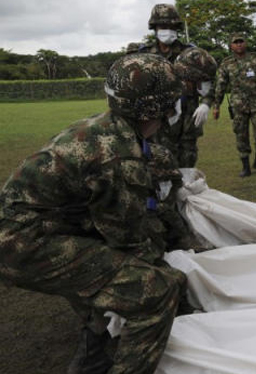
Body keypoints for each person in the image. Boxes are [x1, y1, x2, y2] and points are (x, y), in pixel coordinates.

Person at [0, 54, 187, 374]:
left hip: (35, 230)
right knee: (157, 290)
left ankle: (94, 354)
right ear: (158, 108)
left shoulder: (103, 128)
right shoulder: (118, 156)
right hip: (24, 243)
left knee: (104, 270)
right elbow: (128, 239)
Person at [139, 3, 213, 168]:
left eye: (172, 26)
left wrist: (206, 104)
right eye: (164, 26)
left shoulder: (192, 53)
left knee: (187, 166)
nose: (169, 30)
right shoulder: (142, 55)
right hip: (157, 122)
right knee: (161, 167)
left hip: (188, 119)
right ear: (155, 27)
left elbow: (209, 82)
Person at [213, 33, 256, 177]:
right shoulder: (226, 63)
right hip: (238, 106)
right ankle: (246, 166)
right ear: (231, 46)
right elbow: (220, 86)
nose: (239, 44)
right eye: (236, 42)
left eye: (241, 41)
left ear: (245, 43)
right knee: (241, 135)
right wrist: (216, 105)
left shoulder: (255, 59)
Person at [153, 47, 217, 167]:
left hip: (188, 135)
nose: (204, 85)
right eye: (200, 81)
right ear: (186, 76)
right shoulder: (160, 91)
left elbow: (211, 89)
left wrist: (205, 104)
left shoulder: (190, 86)